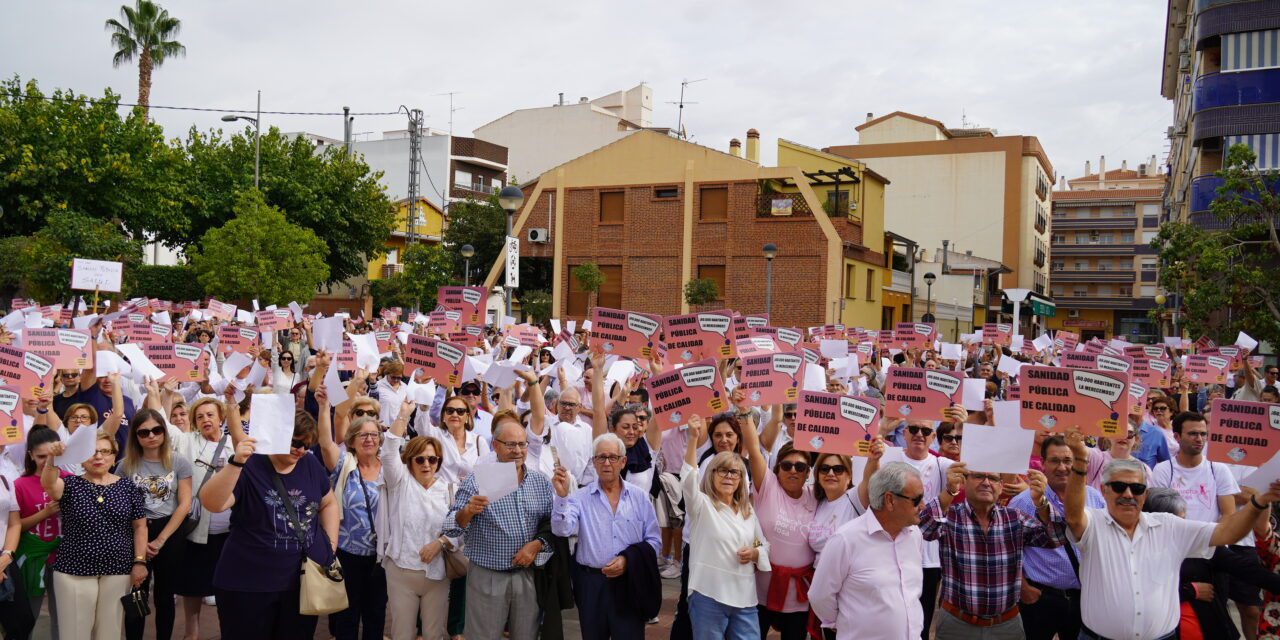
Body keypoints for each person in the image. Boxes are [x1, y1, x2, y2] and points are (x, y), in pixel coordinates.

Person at [1062, 426, 1280, 640]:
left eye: (1136, 489)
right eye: (1119, 487)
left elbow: (1228, 533)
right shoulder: (1094, 523)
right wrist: (1080, 461)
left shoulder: (1170, 526)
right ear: (1104, 490)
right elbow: (1073, 517)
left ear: (1145, 494)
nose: (1128, 494)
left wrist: (1260, 501)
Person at [199, 410, 339, 640]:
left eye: (306, 445)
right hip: (247, 584)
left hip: (300, 584)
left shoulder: (311, 463)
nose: (300, 450)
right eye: (295, 442)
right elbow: (212, 503)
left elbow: (329, 502)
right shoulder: (251, 464)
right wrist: (235, 463)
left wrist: (330, 546)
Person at [921, 457, 1063, 639]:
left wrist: (1041, 502)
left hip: (1006, 626)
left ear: (1001, 487)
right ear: (964, 481)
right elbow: (924, 528)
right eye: (979, 476)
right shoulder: (951, 516)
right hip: (956, 625)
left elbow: (1057, 538)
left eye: (994, 478)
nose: (986, 482)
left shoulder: (1015, 518)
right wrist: (949, 490)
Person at [443, 410, 554, 640]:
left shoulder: (539, 481)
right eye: (510, 444)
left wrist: (536, 544)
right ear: (495, 445)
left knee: (527, 636)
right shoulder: (477, 480)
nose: (517, 451)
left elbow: (550, 524)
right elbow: (450, 527)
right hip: (488, 576)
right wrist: (467, 512)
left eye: (522, 445)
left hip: (527, 576)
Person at [551, 432, 661, 639]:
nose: (607, 463)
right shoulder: (579, 497)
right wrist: (561, 496)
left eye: (612, 457)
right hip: (591, 583)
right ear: (594, 462)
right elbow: (561, 529)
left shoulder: (639, 497)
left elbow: (654, 541)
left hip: (629, 581)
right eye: (601, 457)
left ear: (623, 461)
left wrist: (628, 560)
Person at [42, 430, 148, 640]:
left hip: (118, 569)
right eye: (92, 452)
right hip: (74, 570)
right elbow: (49, 485)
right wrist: (52, 459)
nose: (98, 456)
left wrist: (139, 562)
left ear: (113, 456)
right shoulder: (70, 484)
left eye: (105, 451)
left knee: (110, 632)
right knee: (74, 632)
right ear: (81, 457)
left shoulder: (128, 487)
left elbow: (140, 527)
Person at [870, 412, 964, 639]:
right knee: (887, 615)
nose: (919, 435)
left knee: (919, 621)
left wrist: (965, 424)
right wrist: (882, 429)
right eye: (913, 430)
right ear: (904, 433)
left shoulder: (943, 464)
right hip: (889, 550)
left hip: (927, 557)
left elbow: (976, 463)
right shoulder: (891, 456)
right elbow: (869, 474)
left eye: (925, 431)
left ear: (933, 437)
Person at [1143, 488, 1280, 640]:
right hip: (1158, 631)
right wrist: (1191, 590)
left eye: (1183, 519)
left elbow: (1246, 569)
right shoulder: (1137, 549)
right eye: (1176, 521)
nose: (1181, 525)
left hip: (1208, 628)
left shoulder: (1196, 540)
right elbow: (1136, 594)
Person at [810, 460, 925, 640]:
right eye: (916, 499)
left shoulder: (914, 535)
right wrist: (845, 623)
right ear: (890, 500)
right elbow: (819, 596)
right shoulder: (846, 540)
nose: (923, 505)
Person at [680, 414, 770, 639]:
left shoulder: (748, 513)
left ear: (742, 479)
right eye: (723, 471)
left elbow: (762, 544)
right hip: (708, 595)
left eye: (735, 472)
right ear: (711, 475)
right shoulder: (701, 506)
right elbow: (689, 479)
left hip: (745, 599)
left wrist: (755, 552)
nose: (729, 477)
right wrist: (692, 439)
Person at [1009, 436, 1105, 640]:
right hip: (1041, 599)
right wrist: (1024, 588)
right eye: (1054, 461)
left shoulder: (1095, 497)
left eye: (1068, 460)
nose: (1062, 467)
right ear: (1042, 463)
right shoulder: (1023, 503)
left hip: (1084, 597)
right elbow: (1007, 550)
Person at [380, 396, 457, 640]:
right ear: (410, 461)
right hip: (402, 570)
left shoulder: (448, 488)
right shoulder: (400, 482)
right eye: (420, 459)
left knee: (434, 634)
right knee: (402, 633)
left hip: (437, 574)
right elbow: (388, 452)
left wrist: (441, 543)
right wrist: (403, 415)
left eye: (432, 459)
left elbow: (459, 528)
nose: (427, 464)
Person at [740, 400, 815, 640]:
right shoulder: (768, 487)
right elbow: (753, 448)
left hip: (798, 596)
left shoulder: (816, 495)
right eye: (787, 465)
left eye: (800, 466)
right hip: (760, 590)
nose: (793, 470)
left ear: (808, 472)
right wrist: (743, 412)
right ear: (777, 469)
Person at [317, 388, 387, 640]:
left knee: (375, 615)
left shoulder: (390, 468)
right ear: (351, 439)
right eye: (361, 435)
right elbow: (325, 442)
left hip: (380, 557)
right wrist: (324, 407)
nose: (368, 439)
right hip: (348, 554)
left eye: (373, 434)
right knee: (346, 616)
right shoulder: (344, 464)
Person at [120, 408, 194, 640]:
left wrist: (161, 539)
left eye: (157, 430)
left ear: (164, 431)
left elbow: (184, 504)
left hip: (169, 530)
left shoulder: (179, 462)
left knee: (165, 595)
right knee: (136, 593)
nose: (151, 435)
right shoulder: (125, 466)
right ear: (136, 436)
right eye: (144, 432)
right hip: (134, 530)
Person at [171, 396, 236, 640]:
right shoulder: (187, 442)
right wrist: (164, 396)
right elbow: (167, 428)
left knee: (228, 588)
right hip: (198, 530)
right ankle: (192, 634)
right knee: (193, 587)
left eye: (210, 415)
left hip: (231, 533)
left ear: (221, 418)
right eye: (199, 416)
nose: (205, 419)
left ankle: (227, 632)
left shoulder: (234, 444)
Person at [15, 427, 65, 639]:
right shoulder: (20, 484)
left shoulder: (70, 479)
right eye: (41, 456)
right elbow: (16, 526)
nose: (47, 461)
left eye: (51, 455)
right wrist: (45, 512)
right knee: (28, 616)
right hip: (32, 559)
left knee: (63, 617)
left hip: (63, 557)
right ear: (31, 456)